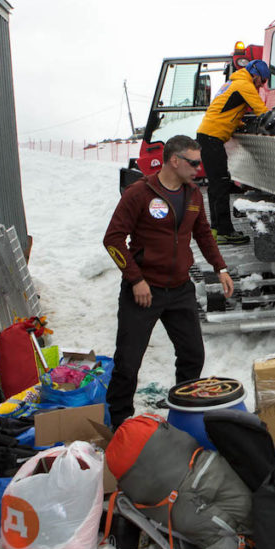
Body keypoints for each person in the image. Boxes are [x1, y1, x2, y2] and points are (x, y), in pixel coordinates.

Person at [103, 135, 234, 429]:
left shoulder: (193, 194)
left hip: (179, 290)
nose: (199, 169)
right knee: (128, 363)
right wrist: (136, 279)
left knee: (192, 355)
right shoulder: (139, 193)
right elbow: (112, 239)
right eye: (193, 162)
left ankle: (183, 417)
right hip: (143, 292)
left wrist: (220, 267)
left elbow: (202, 234)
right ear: (174, 161)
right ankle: (118, 424)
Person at [196, 59, 271, 245]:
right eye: (262, 81)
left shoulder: (232, 83)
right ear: (255, 74)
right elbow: (262, 111)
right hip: (213, 138)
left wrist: (240, 123)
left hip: (207, 135)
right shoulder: (245, 85)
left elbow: (226, 111)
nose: (262, 85)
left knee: (216, 185)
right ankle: (225, 231)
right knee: (221, 184)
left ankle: (215, 230)